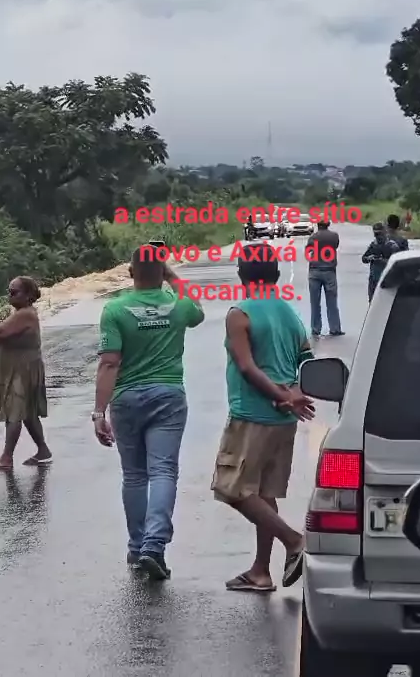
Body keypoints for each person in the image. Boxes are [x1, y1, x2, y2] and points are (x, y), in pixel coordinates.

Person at [93, 248, 205, 579]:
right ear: (162, 271)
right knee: (163, 471)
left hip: (126, 398)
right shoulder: (178, 305)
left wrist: (99, 411)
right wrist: (171, 276)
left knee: (134, 475)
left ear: (130, 272)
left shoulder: (114, 309)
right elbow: (198, 309)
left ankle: (136, 545)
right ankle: (154, 546)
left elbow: (109, 363)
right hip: (168, 395)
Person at [211, 243, 315, 593]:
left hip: (252, 415)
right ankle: (260, 571)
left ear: (241, 274)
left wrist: (281, 396)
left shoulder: (240, 313)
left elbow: (246, 366)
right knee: (264, 494)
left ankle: (294, 540)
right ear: (275, 273)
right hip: (284, 420)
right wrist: (293, 393)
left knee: (232, 488)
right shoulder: (289, 312)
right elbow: (306, 357)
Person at [0, 277, 52, 469]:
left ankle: (6, 457)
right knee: (28, 413)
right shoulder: (23, 313)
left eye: (14, 292)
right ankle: (43, 450)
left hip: (23, 369)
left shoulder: (25, 315)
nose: (10, 295)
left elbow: (0, 333)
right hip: (24, 367)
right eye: (9, 292)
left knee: (14, 411)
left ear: (28, 295)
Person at [305, 220, 344, 337]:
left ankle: (316, 328)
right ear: (328, 225)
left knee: (315, 302)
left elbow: (308, 250)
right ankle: (335, 328)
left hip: (314, 271)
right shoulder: (334, 236)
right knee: (332, 301)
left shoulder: (313, 237)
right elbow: (335, 246)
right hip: (329, 271)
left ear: (318, 225)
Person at [362, 223, 399, 302]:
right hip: (373, 279)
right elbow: (364, 259)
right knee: (372, 302)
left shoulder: (392, 246)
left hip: (387, 279)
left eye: (379, 234)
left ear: (384, 232)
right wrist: (369, 258)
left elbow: (396, 263)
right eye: (376, 234)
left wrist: (382, 260)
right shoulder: (373, 245)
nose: (378, 237)